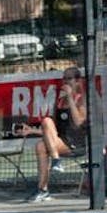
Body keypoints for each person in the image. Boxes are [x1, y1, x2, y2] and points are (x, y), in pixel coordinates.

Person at [26, 66, 87, 203]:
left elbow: (78, 123)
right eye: (64, 78)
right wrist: (32, 131)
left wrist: (70, 98)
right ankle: (44, 189)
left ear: (77, 81)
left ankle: (54, 164)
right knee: (41, 143)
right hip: (60, 141)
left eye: (69, 78)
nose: (65, 81)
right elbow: (52, 130)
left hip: (76, 142)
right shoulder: (59, 101)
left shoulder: (82, 100)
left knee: (42, 142)